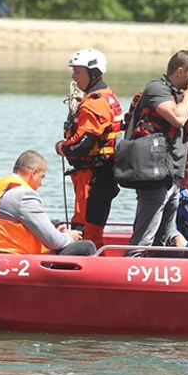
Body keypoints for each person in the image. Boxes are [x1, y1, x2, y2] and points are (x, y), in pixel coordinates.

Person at [126, 50, 188, 251]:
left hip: (172, 177)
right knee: (145, 236)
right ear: (180, 72)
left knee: (161, 239)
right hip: (154, 174)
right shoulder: (157, 88)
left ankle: (153, 276)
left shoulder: (184, 99)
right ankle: (131, 270)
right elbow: (178, 119)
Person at [54, 48, 123, 248]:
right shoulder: (105, 96)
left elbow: (81, 145)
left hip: (93, 177)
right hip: (100, 175)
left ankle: (86, 267)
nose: (73, 77)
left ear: (93, 73)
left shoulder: (94, 104)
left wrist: (61, 147)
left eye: (77, 72)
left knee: (84, 228)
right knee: (91, 226)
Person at [0, 150, 95, 256]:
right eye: (42, 177)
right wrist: (70, 237)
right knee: (86, 247)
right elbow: (53, 241)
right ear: (34, 173)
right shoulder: (24, 195)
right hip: (13, 261)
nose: (41, 183)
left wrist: (57, 232)